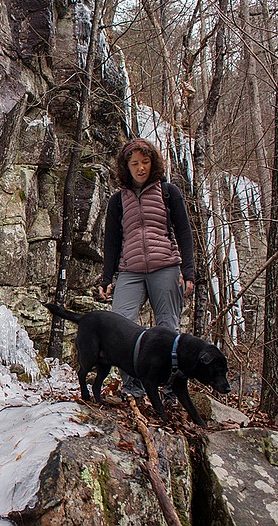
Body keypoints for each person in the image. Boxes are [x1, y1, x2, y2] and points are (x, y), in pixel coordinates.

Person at [98, 138, 195, 398]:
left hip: (166, 266)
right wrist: (107, 277)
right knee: (120, 325)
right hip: (130, 269)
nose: (140, 168)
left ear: (153, 163)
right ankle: (133, 388)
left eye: (145, 162)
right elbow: (112, 241)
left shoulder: (168, 192)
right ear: (125, 167)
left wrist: (189, 272)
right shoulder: (118, 201)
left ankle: (170, 390)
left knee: (167, 329)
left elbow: (184, 232)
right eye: (134, 164)